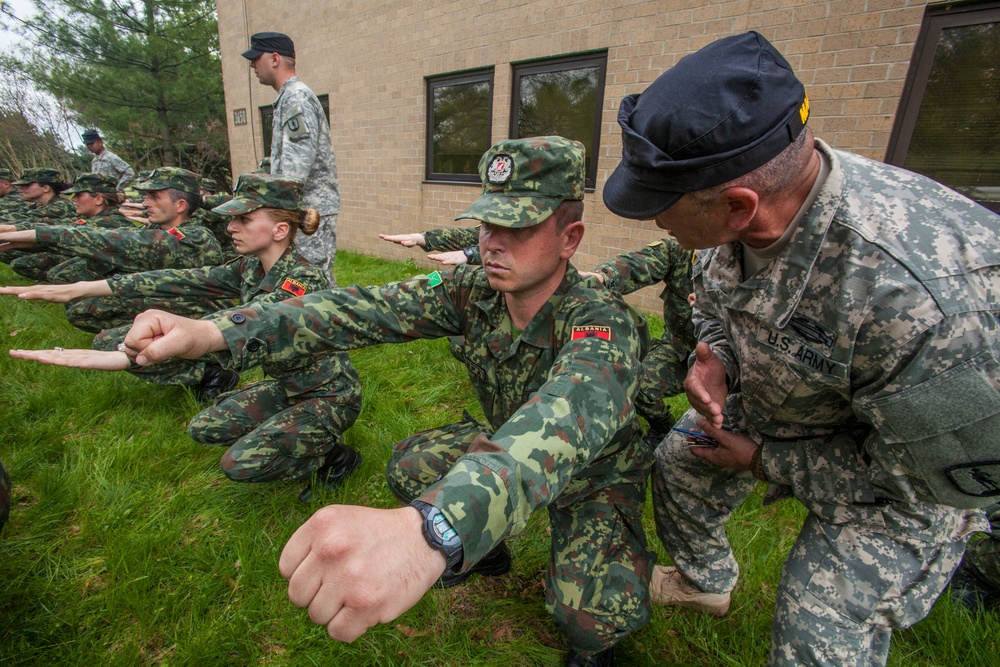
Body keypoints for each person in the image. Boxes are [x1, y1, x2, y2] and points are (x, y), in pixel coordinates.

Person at [118, 136, 654, 667]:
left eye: (518, 228)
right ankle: (487, 553)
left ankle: (594, 645)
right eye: (489, 224)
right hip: (500, 443)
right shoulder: (473, 290)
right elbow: (358, 308)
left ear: (570, 239)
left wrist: (434, 528)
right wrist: (215, 332)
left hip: (594, 474)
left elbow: (559, 421)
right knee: (409, 465)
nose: (493, 242)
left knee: (587, 620)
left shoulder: (601, 322)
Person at [601, 31, 1000, 666]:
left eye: (660, 207)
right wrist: (719, 358)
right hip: (787, 405)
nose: (656, 224)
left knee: (819, 623)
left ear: (738, 205)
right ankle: (706, 585)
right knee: (678, 461)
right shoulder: (742, 222)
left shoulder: (929, 307)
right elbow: (716, 306)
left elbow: (926, 485)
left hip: (903, 476)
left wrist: (765, 461)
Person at [8, 174, 364, 491]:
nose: (230, 227)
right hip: (288, 385)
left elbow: (250, 327)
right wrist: (89, 287)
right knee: (205, 428)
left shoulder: (302, 281)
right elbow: (181, 280)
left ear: (279, 230)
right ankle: (295, 431)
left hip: (327, 393)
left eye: (244, 219)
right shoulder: (250, 267)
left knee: (240, 465)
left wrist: (128, 357)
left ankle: (336, 457)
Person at [0, 167, 225, 331]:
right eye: (146, 196)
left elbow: (117, 241)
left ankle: (209, 370)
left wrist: (42, 235)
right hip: (172, 299)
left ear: (180, 205)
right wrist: (27, 231)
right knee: (83, 303)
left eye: (154, 197)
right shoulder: (160, 227)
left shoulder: (195, 237)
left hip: (206, 316)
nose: (145, 203)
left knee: (88, 314)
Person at [243, 32, 339, 283]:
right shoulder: (289, 97)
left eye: (256, 58)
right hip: (296, 210)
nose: (253, 65)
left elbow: (295, 170)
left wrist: (273, 208)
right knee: (300, 280)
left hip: (306, 212)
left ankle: (331, 322)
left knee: (312, 279)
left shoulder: (296, 97)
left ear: (275, 59)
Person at [587, 239, 695, 445]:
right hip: (681, 352)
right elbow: (637, 264)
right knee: (635, 380)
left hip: (732, 367)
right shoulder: (683, 250)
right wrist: (600, 277)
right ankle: (663, 428)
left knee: (722, 429)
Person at [3, 173, 132, 282]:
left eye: (78, 195)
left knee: (58, 274)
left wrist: (10, 232)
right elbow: (54, 224)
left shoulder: (109, 221)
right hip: (84, 258)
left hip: (115, 271)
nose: (73, 199)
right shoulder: (93, 218)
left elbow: (61, 230)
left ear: (98, 199)